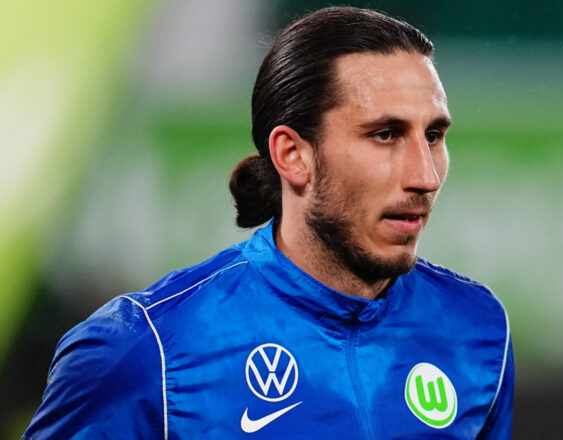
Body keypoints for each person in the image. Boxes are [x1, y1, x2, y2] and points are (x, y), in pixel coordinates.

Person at [24, 6, 513, 439]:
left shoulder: (478, 330)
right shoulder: (144, 349)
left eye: (433, 136)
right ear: (293, 155)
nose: (425, 176)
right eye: (385, 134)